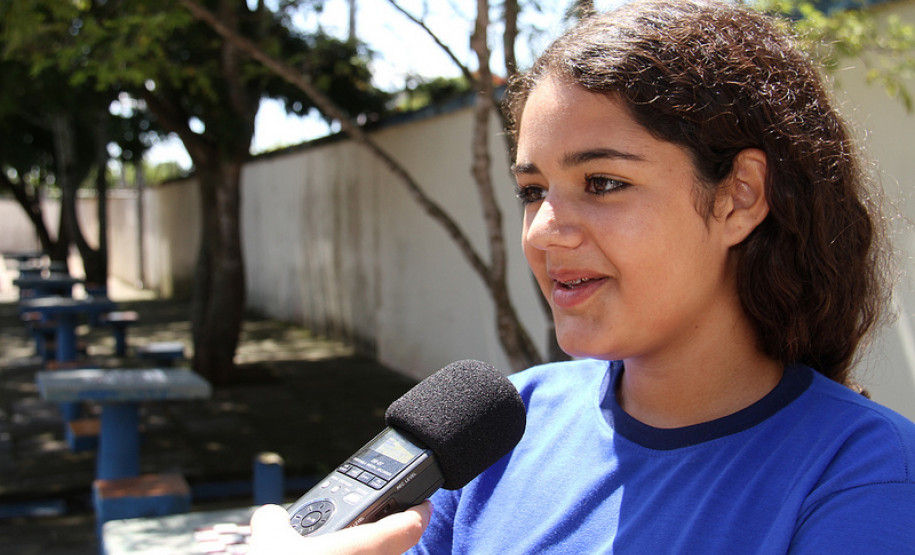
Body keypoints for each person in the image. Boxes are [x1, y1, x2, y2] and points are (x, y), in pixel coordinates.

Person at [249, 0, 915, 552]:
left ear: (737, 195)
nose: (542, 231)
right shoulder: (503, 422)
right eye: (532, 190)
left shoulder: (862, 472)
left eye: (601, 182)